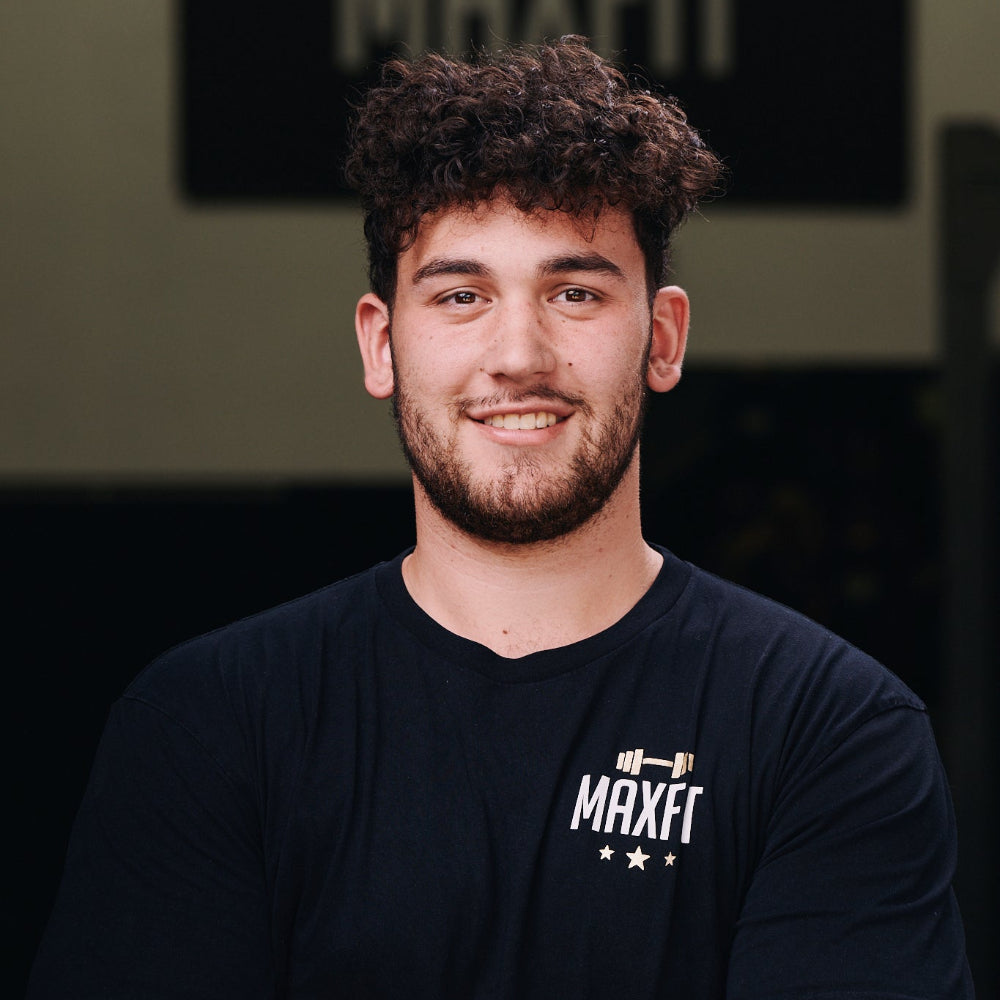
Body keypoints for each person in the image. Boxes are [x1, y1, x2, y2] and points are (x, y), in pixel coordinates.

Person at [29, 36, 971, 999]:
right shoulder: (208, 725)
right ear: (382, 345)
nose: (518, 354)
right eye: (462, 295)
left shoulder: (827, 728)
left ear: (663, 337)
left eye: (576, 292)